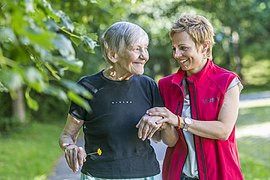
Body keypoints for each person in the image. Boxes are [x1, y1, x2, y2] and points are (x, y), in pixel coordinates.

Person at [136, 13, 244, 180]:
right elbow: (171, 142)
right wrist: (164, 125)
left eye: (183, 48)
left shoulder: (227, 82)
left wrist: (178, 120)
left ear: (205, 47)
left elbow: (223, 131)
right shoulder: (166, 85)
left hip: (220, 174)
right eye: (174, 48)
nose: (177, 55)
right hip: (178, 175)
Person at [59, 21, 164, 179]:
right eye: (137, 49)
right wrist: (70, 147)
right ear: (113, 54)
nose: (144, 56)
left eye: (145, 48)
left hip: (145, 174)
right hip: (98, 175)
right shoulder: (87, 87)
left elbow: (162, 136)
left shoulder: (148, 85)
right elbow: (67, 135)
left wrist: (159, 119)